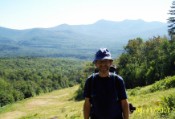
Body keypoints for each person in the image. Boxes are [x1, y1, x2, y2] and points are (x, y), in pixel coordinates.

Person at [83, 48, 129, 119]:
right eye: (100, 61)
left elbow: (124, 103)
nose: (103, 64)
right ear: (96, 64)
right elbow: (87, 104)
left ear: (110, 63)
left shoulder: (118, 80)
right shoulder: (90, 81)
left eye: (106, 61)